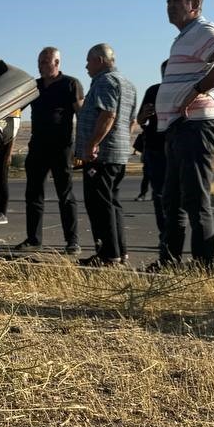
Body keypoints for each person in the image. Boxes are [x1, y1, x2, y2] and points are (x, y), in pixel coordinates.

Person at [153, 0, 214, 268]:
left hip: (196, 125)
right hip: (180, 126)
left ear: (195, 5)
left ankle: (203, 266)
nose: (171, 5)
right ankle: (169, 262)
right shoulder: (184, 37)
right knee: (173, 199)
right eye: (168, 1)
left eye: (177, 0)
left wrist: (198, 89)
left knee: (194, 200)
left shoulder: (202, 29)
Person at [75, 44, 138, 266]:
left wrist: (92, 143)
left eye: (88, 61)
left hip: (101, 156)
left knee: (99, 205)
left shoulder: (105, 82)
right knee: (112, 203)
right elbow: (131, 120)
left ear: (100, 60)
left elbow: (108, 114)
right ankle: (119, 252)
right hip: (117, 154)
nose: (86, 66)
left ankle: (107, 254)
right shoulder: (128, 84)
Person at [17, 47, 83, 254]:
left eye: (45, 62)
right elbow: (17, 106)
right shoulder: (35, 86)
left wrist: (81, 146)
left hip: (61, 147)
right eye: (39, 62)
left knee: (65, 194)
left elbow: (81, 113)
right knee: (33, 194)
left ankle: (72, 241)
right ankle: (33, 239)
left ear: (57, 63)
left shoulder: (70, 84)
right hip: (37, 147)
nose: (41, 66)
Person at [135, 62, 170, 244]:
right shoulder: (153, 91)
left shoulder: (184, 90)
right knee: (159, 194)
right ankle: (164, 236)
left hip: (176, 146)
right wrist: (145, 115)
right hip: (155, 148)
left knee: (177, 195)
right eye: (164, 72)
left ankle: (173, 237)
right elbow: (140, 120)